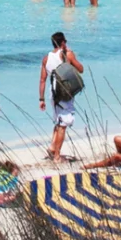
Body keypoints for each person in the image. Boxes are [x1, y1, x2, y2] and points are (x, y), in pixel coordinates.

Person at [41, 31, 84, 162]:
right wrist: (70, 55)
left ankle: (52, 147)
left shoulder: (46, 58)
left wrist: (41, 99)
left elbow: (42, 80)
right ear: (63, 42)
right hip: (64, 92)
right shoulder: (67, 54)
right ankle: (57, 156)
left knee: (58, 120)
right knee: (63, 124)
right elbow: (80, 69)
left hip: (52, 93)